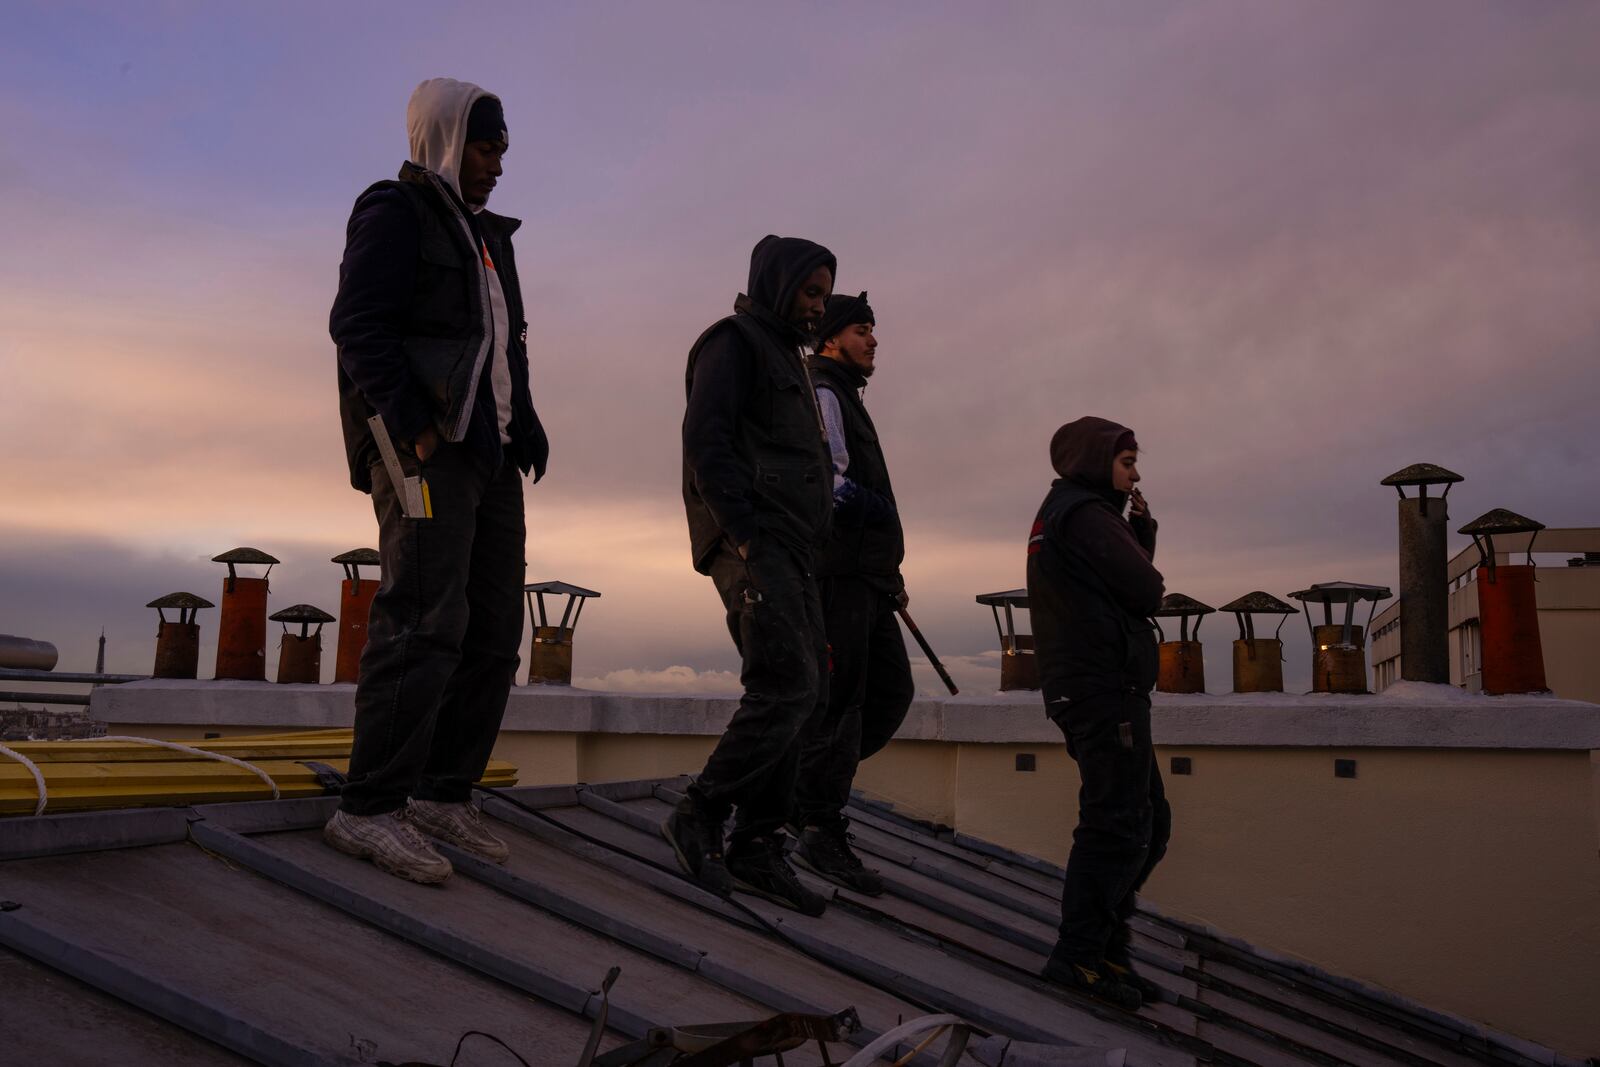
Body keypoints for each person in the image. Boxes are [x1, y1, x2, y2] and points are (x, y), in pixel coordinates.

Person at [324, 78, 550, 885]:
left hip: (485, 452)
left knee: (492, 629)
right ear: (449, 139)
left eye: (501, 150)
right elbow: (357, 326)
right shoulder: (396, 211)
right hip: (425, 450)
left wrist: (525, 422)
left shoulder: (490, 237)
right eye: (486, 146)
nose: (496, 163)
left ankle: (441, 792)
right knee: (423, 617)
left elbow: (502, 343)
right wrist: (414, 422)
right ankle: (369, 807)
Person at [665, 235, 837, 916]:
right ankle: (699, 811)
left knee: (810, 689)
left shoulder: (789, 358)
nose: (818, 307)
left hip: (790, 546)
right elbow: (705, 441)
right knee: (786, 681)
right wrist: (743, 532)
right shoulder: (732, 343)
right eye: (810, 292)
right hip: (752, 541)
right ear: (778, 284)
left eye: (825, 294)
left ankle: (759, 844)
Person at [1026, 417, 1168, 1009]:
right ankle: (1079, 955)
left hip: (1098, 686)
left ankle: (1106, 947)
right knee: (1118, 822)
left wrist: (1138, 527)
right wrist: (1137, 537)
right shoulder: (1084, 513)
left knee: (1147, 823)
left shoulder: (1077, 513)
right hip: (1101, 687)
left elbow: (1117, 584)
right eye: (1127, 461)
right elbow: (1145, 588)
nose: (1136, 473)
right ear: (1094, 461)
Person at [790, 292, 915, 896]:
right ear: (833, 337)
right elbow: (832, 483)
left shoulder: (845, 394)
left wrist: (887, 575)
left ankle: (800, 790)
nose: (874, 340)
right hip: (837, 576)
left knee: (890, 693)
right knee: (841, 706)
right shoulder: (824, 391)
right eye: (863, 329)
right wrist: (879, 514)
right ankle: (815, 822)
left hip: (866, 579)